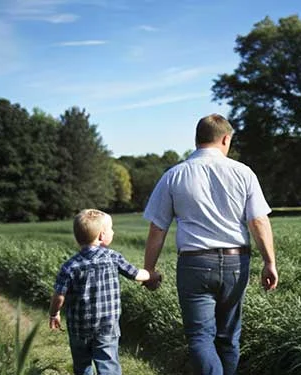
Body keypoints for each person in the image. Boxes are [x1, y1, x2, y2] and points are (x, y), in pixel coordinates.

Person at [142, 113, 278, 375]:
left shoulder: (174, 175)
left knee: (200, 338)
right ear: (225, 139)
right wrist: (269, 262)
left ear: (197, 140)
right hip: (236, 262)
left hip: (194, 264)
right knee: (228, 337)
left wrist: (150, 269)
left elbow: (158, 227)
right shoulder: (244, 173)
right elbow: (258, 222)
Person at [49, 209, 152, 375]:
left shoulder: (70, 266)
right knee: (108, 365)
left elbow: (58, 296)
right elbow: (136, 274)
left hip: (78, 328)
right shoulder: (113, 257)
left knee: (82, 366)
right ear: (102, 236)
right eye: (111, 229)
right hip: (107, 326)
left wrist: (54, 314)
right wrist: (152, 275)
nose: (113, 231)